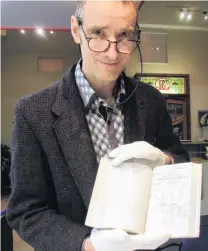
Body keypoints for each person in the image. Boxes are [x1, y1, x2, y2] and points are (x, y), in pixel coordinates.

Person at [6, 1, 190, 251]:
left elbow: (179, 159)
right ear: (75, 29)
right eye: (98, 34)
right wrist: (89, 245)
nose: (112, 54)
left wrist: (164, 160)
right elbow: (26, 212)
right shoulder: (32, 113)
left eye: (124, 35)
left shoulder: (152, 100)